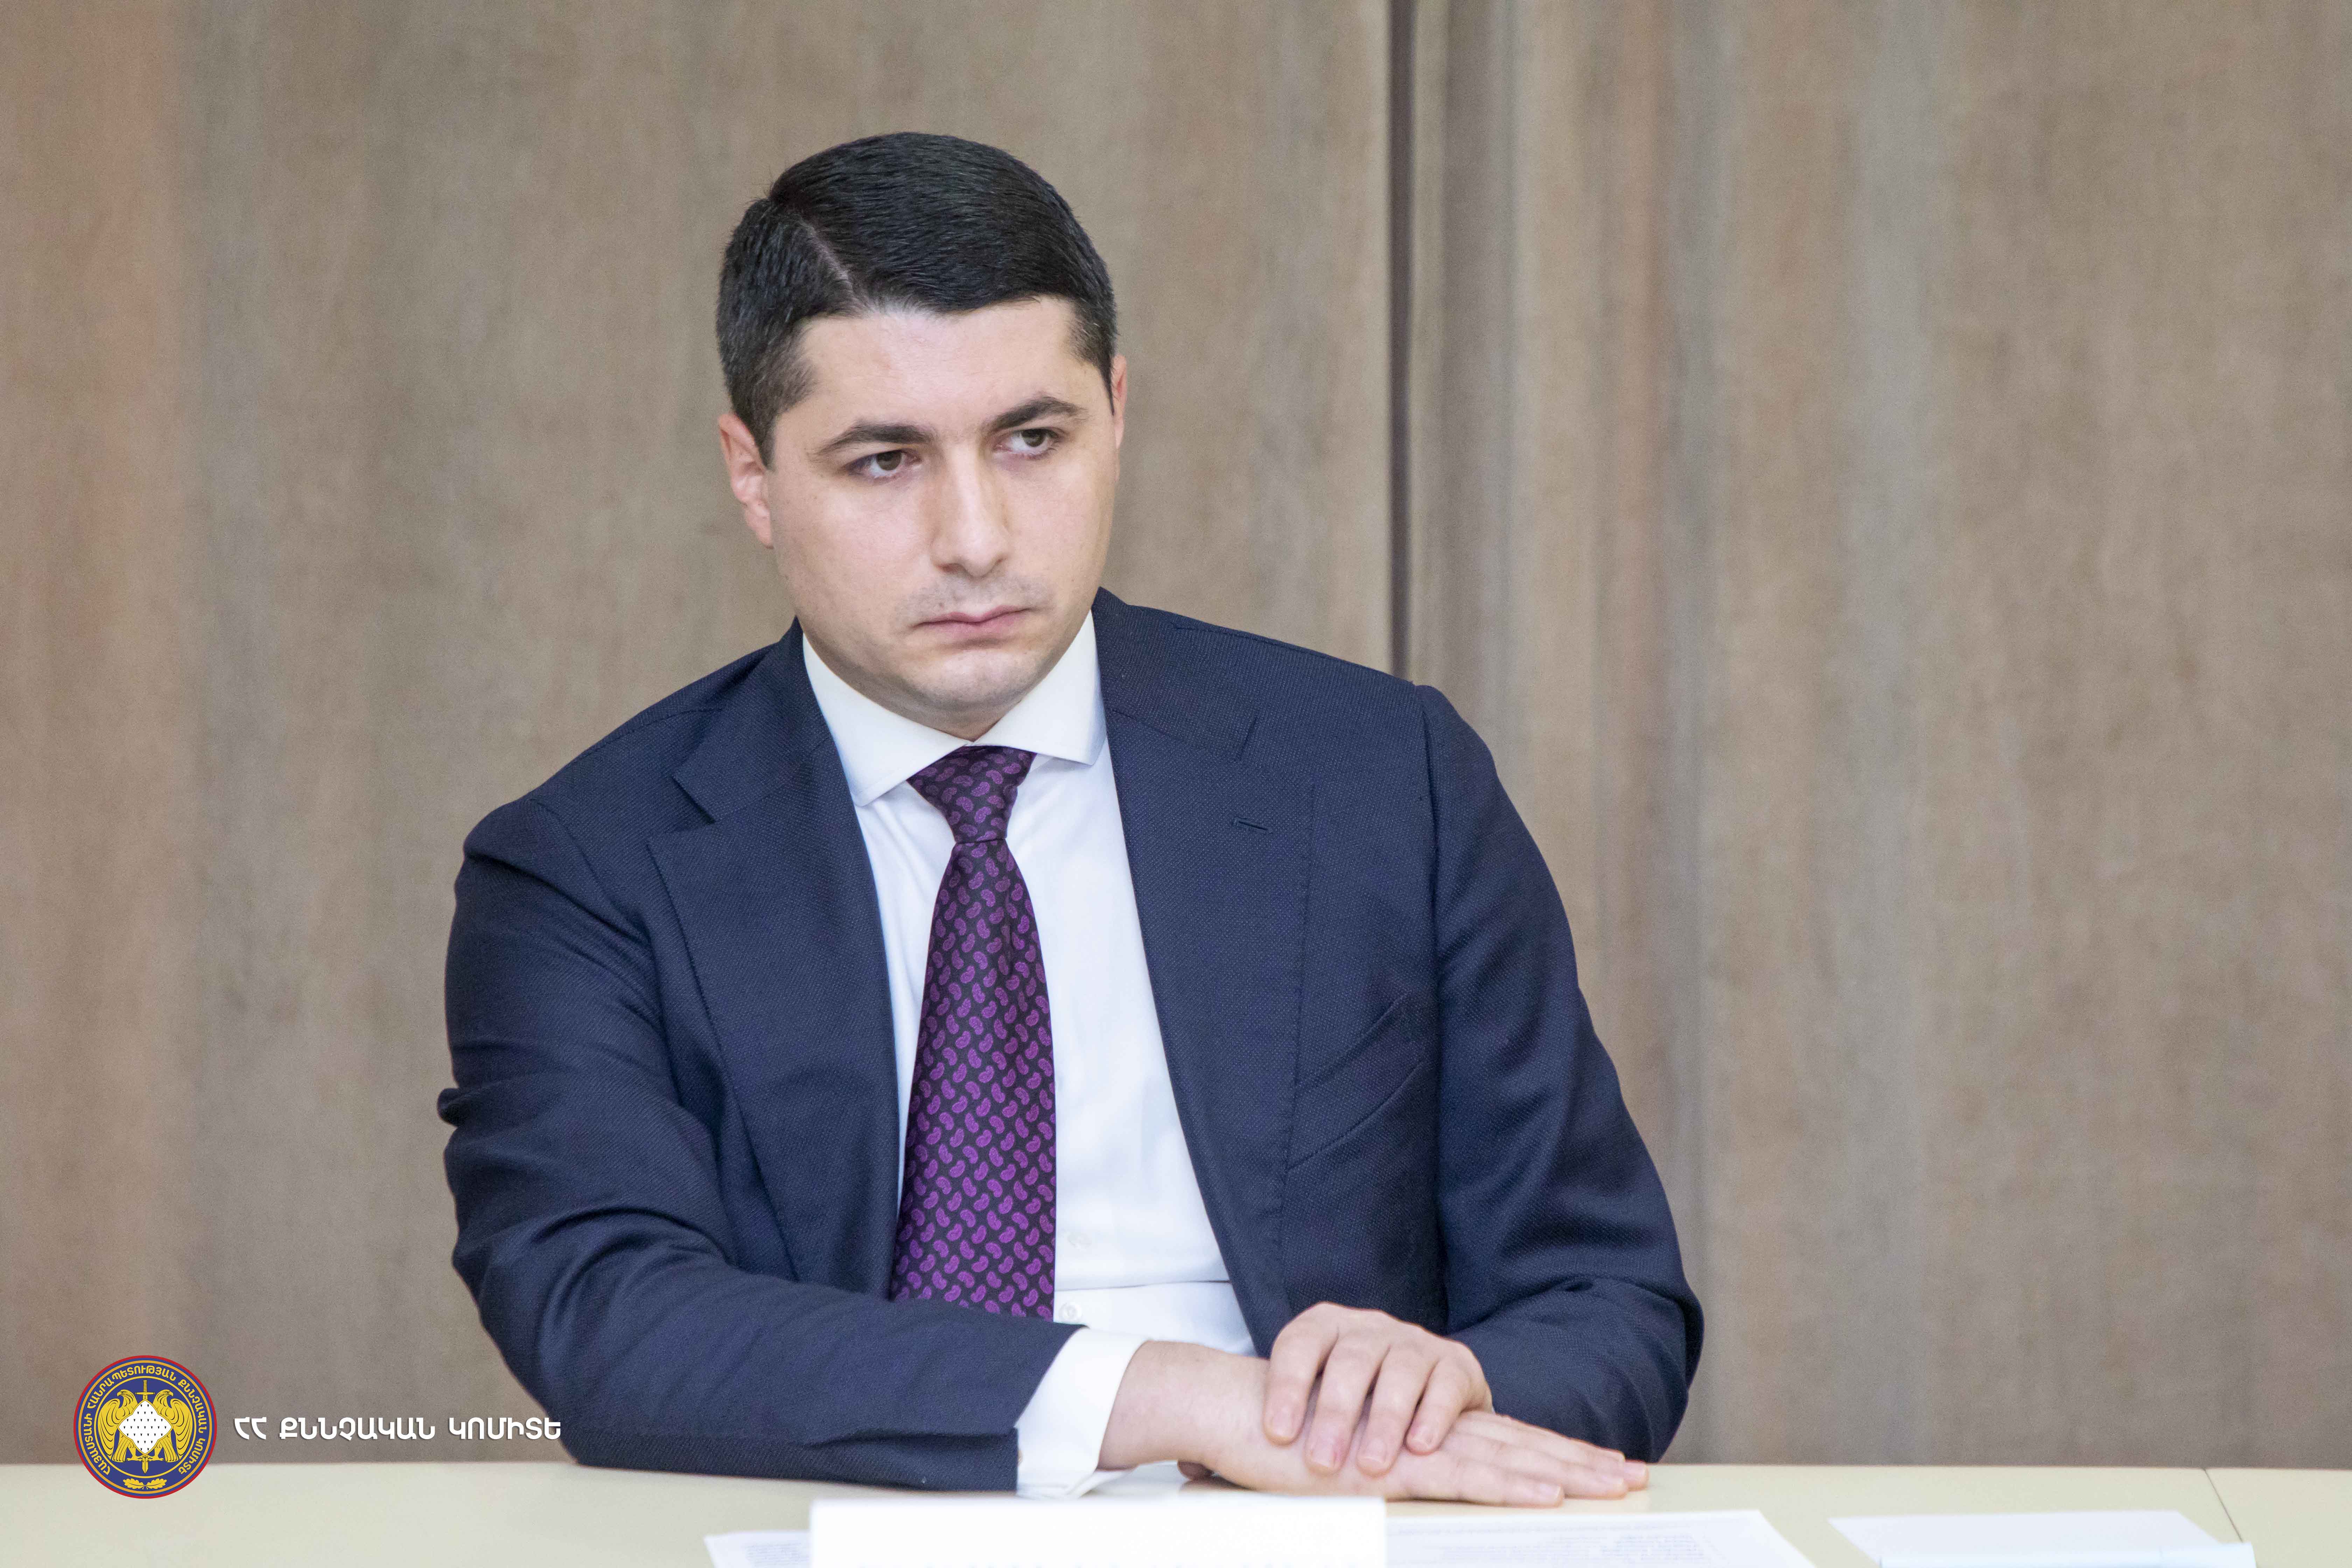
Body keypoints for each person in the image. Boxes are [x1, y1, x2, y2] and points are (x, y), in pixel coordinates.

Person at [439, 132, 1700, 1503]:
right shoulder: (586, 867)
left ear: (1117, 412)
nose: (976, 537)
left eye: (1032, 440)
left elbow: (1607, 1299)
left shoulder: (1385, 779)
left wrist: (1448, 1387)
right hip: (851, 1526)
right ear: (754, 474)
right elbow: (607, 1313)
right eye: (885, 461)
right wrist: (1166, 1395)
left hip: (1312, 1523)